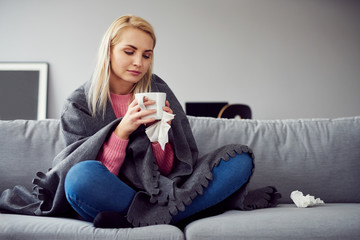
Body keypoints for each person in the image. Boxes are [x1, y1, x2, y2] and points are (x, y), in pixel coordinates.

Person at [0, 15, 280, 228]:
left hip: (164, 191)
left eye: (147, 55)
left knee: (239, 158)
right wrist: (122, 131)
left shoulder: (157, 89)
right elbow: (89, 168)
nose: (139, 62)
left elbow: (172, 169)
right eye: (129, 51)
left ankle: (139, 219)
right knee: (80, 178)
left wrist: (161, 134)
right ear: (108, 52)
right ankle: (180, 215)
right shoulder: (79, 103)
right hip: (115, 191)